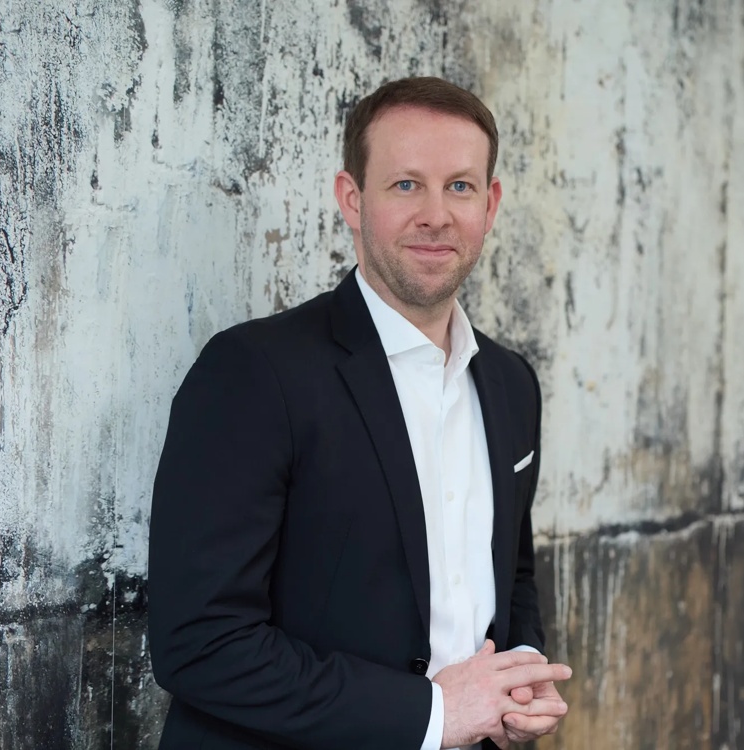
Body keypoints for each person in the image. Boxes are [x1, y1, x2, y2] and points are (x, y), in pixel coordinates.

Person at [148, 76, 571, 750]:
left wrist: (515, 679)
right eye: (406, 185)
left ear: (490, 206)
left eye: (460, 186)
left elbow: (511, 575)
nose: (436, 214)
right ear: (353, 198)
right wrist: (432, 714)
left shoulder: (511, 383)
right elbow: (199, 642)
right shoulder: (254, 373)